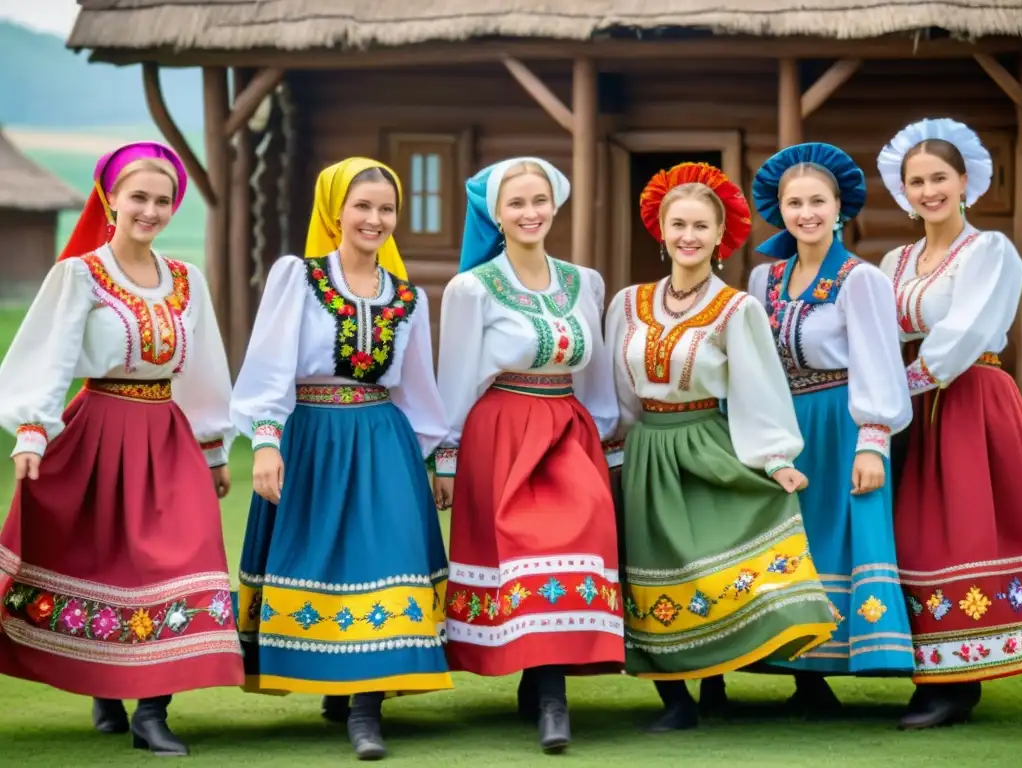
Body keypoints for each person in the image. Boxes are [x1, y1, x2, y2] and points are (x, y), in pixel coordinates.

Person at [0, 141, 242, 756]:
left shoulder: (186, 280)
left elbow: (205, 366)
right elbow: (49, 354)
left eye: (164, 200)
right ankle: (107, 685)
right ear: (111, 198)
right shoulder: (80, 273)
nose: (151, 210)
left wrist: (214, 448)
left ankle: (152, 712)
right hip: (97, 428)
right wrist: (33, 431)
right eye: (139, 197)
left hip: (166, 432)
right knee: (101, 558)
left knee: (185, 555)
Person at [230, 157, 451, 760]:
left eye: (385, 209)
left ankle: (364, 709)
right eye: (362, 207)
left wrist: (437, 459)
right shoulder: (297, 277)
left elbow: (418, 387)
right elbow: (269, 365)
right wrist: (268, 442)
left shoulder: (408, 297)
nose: (374, 219)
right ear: (334, 212)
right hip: (312, 437)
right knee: (323, 559)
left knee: (386, 558)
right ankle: (333, 684)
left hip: (383, 443)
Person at [604, 161, 836, 732]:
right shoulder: (626, 304)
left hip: (707, 441)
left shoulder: (738, 308)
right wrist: (613, 454)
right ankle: (676, 700)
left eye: (700, 227)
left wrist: (776, 459)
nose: (688, 236)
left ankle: (715, 682)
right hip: (646, 452)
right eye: (678, 224)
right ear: (660, 231)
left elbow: (758, 387)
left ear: (720, 235)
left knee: (706, 565)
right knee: (653, 569)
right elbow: (615, 392)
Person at [431, 157, 623, 753]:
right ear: (496, 213)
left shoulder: (584, 282)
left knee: (575, 541)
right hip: (502, 431)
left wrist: (607, 447)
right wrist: (447, 457)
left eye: (539, 200)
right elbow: (457, 376)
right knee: (525, 550)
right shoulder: (472, 288)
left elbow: (593, 380)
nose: (529, 212)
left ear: (555, 205)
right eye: (515, 204)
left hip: (568, 428)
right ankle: (547, 696)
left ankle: (546, 680)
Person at [742, 143, 916, 713]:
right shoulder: (763, 279)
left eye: (818, 201)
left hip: (842, 422)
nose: (806, 213)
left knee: (839, 536)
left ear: (840, 206)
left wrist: (872, 443)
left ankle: (855, 656)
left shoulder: (859, 278)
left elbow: (878, 361)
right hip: (785, 427)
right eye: (795, 202)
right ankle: (805, 677)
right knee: (796, 539)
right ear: (780, 209)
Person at [876, 118, 1022, 729]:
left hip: (968, 396)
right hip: (912, 405)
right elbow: (880, 331)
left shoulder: (989, 250)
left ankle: (962, 678)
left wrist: (895, 392)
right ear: (904, 192)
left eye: (940, 178)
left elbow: (962, 333)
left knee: (964, 530)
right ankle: (935, 668)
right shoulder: (895, 259)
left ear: (965, 182)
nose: (929, 190)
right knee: (913, 532)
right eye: (917, 182)